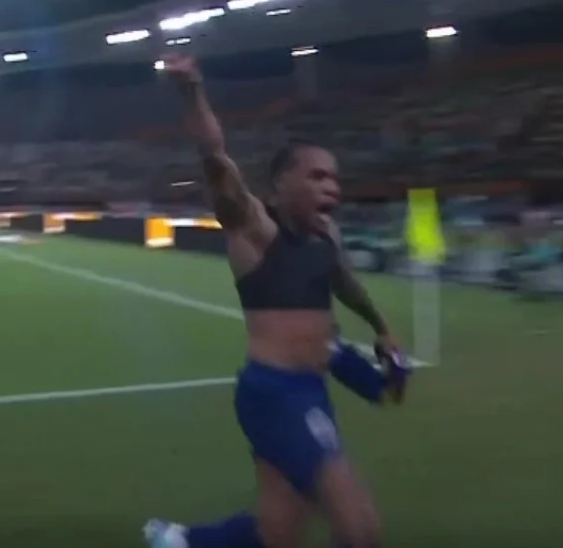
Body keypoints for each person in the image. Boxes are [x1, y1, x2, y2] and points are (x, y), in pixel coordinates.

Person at [145, 56, 404, 548]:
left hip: (312, 390)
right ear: (281, 183)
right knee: (361, 529)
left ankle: (180, 540)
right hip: (276, 394)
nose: (331, 188)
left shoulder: (326, 236)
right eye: (316, 177)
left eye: (334, 179)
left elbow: (345, 283)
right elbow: (214, 156)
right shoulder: (254, 230)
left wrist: (381, 327)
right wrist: (193, 90)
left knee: (276, 533)